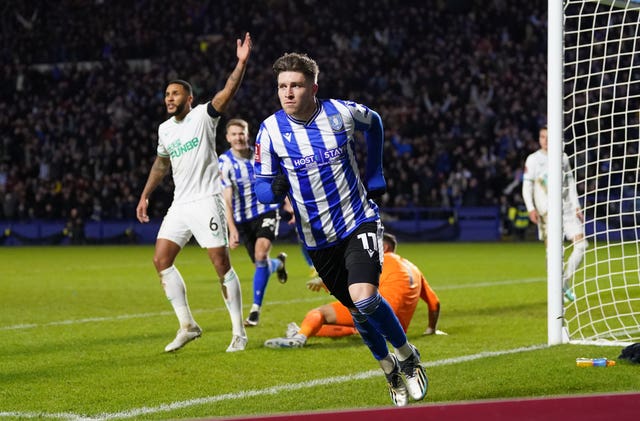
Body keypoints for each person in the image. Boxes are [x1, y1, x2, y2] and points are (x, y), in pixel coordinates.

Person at [253, 52, 428, 407]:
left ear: (313, 87)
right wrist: (269, 191)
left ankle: (408, 356)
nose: (288, 93)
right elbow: (261, 182)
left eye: (296, 85)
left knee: (364, 296)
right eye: (282, 86)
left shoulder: (341, 114)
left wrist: (376, 171)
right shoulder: (270, 130)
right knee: (358, 310)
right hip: (317, 239)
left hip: (357, 220)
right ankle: (388, 368)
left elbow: (375, 122)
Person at [135, 33, 252, 353]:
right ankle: (188, 325)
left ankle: (238, 332)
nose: (169, 98)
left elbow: (227, 92)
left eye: (175, 94)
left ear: (189, 99)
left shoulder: (203, 115)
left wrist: (241, 62)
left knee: (220, 264)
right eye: (166, 95)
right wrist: (145, 194)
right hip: (180, 204)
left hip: (207, 200)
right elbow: (161, 164)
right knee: (161, 260)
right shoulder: (165, 129)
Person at [264, 232, 442, 348]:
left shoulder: (379, 260)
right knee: (358, 325)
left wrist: (325, 282)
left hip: (379, 311)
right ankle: (300, 331)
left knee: (320, 312)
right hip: (397, 330)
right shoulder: (413, 268)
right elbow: (434, 303)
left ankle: (298, 339)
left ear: (385, 247)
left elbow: (352, 283)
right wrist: (431, 330)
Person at [219, 118, 288, 327]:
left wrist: (288, 203)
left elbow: (278, 179)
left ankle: (255, 310)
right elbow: (227, 200)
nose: (239, 138)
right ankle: (278, 264)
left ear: (248, 134)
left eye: (242, 133)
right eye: (234, 134)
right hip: (242, 220)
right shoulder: (224, 163)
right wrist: (231, 229)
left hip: (266, 210)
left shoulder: (261, 155)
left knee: (260, 255)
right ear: (228, 138)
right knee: (261, 263)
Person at [522, 125, 587, 303]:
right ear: (539, 139)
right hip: (547, 212)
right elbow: (526, 186)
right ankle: (558, 289)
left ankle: (563, 282)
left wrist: (576, 206)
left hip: (566, 209)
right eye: (543, 137)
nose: (546, 141)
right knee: (554, 252)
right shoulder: (533, 160)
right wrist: (530, 208)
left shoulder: (562, 157)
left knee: (582, 246)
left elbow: (570, 181)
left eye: (549, 137)